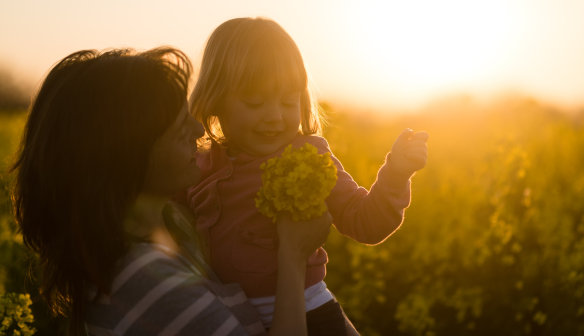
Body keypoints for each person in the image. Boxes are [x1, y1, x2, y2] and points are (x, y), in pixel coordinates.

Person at [11, 47, 332, 336]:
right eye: (180, 127)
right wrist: (292, 256)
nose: (198, 130)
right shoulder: (150, 281)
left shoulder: (169, 231)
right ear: (129, 151)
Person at [184, 17, 429, 334]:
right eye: (255, 102)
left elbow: (365, 222)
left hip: (314, 315)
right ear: (215, 100)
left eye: (288, 102)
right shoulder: (198, 165)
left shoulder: (308, 155)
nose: (274, 117)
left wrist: (396, 173)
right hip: (235, 320)